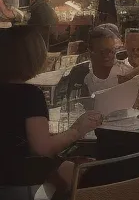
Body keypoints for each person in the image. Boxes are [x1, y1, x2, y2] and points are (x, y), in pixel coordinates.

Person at [0, 27, 101, 187]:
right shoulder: (29, 95)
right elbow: (42, 149)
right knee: (88, 176)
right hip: (17, 189)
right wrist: (76, 130)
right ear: (34, 57)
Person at [82, 26, 139, 94]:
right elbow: (123, 79)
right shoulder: (90, 76)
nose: (108, 55)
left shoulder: (121, 64)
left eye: (112, 51)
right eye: (102, 52)